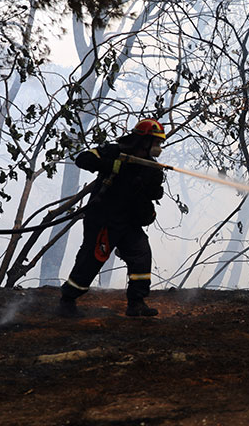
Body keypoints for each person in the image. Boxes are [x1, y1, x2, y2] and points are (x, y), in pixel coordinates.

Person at [57, 118, 167, 317]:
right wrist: (114, 165)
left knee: (141, 254)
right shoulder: (114, 151)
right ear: (143, 141)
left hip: (129, 221)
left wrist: (148, 186)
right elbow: (83, 159)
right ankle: (67, 299)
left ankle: (136, 303)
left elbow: (154, 193)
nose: (158, 148)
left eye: (160, 144)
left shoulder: (152, 167)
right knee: (92, 258)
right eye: (156, 142)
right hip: (103, 218)